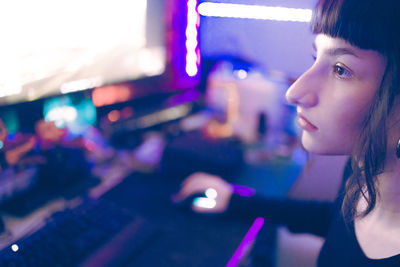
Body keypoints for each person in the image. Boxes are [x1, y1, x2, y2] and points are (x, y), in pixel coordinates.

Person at [173, 0, 400, 266]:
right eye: (316, 58)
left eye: (341, 70)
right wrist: (238, 202)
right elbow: (336, 219)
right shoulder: (362, 168)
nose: (294, 93)